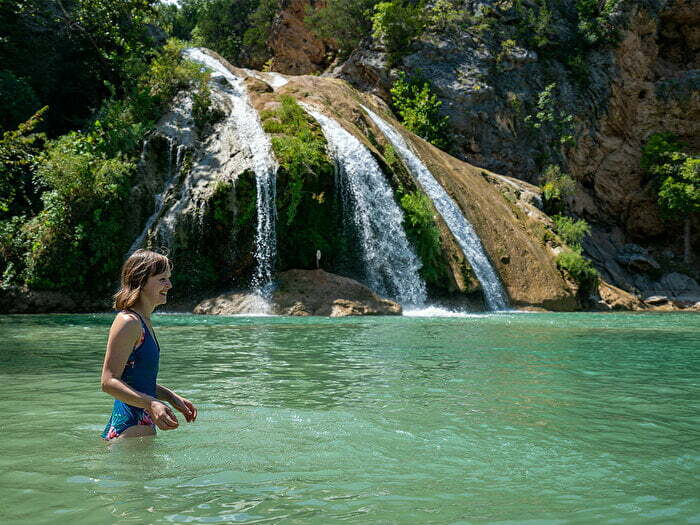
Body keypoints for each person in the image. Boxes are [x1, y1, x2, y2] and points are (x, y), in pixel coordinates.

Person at [101, 249, 197, 440]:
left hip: (136, 428)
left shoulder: (143, 321)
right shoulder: (128, 321)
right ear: (141, 281)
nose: (169, 285)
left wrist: (170, 397)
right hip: (131, 430)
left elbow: (137, 380)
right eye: (162, 279)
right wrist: (151, 404)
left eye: (168, 278)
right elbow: (108, 382)